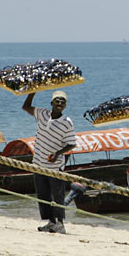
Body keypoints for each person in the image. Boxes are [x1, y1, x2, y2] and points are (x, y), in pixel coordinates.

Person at [22, 90, 76, 234]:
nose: (59, 104)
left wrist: (57, 153)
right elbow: (26, 107)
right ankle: (50, 222)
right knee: (43, 195)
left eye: (62, 102)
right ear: (51, 103)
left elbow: (71, 143)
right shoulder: (43, 114)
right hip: (38, 163)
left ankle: (60, 224)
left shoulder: (67, 122)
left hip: (55, 166)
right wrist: (32, 92)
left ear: (65, 106)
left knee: (57, 195)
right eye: (57, 101)